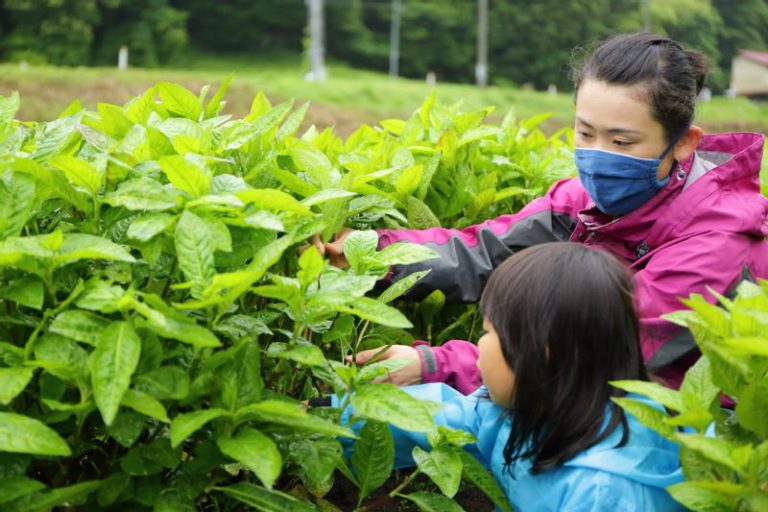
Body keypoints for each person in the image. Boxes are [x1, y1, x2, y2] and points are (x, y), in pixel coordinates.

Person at [318, 32, 768, 394]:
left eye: (622, 142)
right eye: (585, 132)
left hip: (679, 422)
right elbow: (487, 249)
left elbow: (604, 354)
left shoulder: (717, 240)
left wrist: (435, 363)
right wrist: (372, 255)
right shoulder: (587, 200)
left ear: (685, 143)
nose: (596, 156)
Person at [329, 243, 686, 510]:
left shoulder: (601, 493)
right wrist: (329, 418)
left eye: (486, 333)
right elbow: (443, 418)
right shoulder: (532, 404)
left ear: (539, 351)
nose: (477, 347)